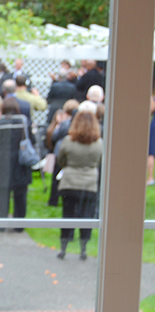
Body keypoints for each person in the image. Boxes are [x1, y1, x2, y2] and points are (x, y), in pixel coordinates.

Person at [56, 110, 103, 260]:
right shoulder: (99, 143)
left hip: (69, 182)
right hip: (89, 184)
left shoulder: (68, 141)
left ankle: (63, 248)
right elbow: (99, 161)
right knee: (86, 217)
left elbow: (60, 159)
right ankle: (83, 249)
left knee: (68, 216)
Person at [0, 97, 34, 232]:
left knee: (2, 195)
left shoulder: (1, 122)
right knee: (20, 196)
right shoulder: (23, 122)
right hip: (20, 162)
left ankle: (1, 225)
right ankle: (19, 226)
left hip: (3, 162)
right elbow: (32, 140)